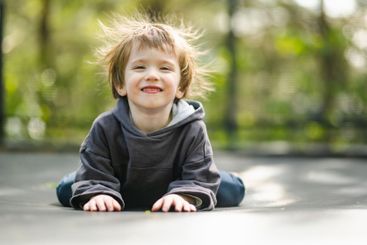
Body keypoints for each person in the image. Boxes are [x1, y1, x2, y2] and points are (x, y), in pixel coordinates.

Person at [56, 15, 245, 212]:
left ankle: (215, 177)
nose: (152, 75)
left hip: (183, 183)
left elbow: (198, 177)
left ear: (180, 86)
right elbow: (95, 173)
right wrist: (98, 193)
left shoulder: (192, 128)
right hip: (120, 187)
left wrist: (184, 196)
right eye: (139, 67)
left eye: (164, 68)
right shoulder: (105, 127)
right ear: (121, 84)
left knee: (233, 189)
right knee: (66, 189)